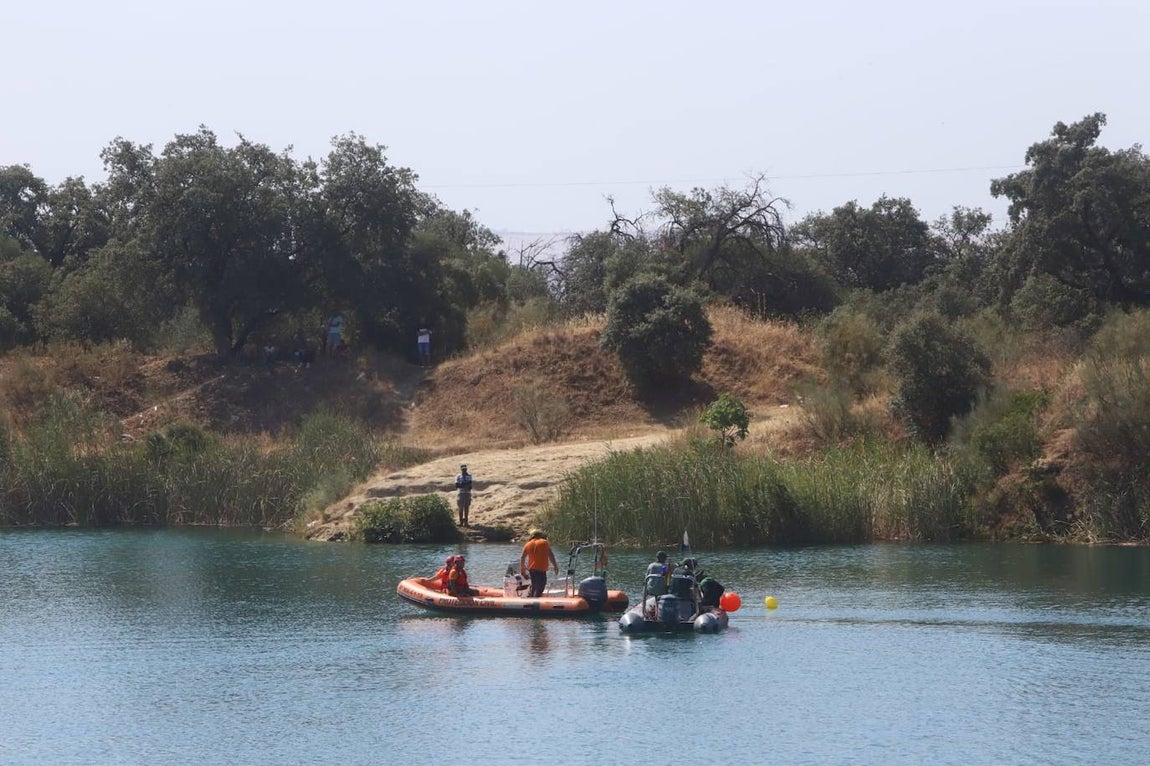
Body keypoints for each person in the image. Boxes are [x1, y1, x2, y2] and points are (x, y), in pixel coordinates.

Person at [519, 528, 559, 598]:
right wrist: (555, 565)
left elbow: (522, 557)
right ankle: (535, 602)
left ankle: (530, 600)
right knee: (540, 586)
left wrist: (523, 569)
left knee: (534, 586)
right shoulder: (544, 542)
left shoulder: (527, 544)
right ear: (540, 535)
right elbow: (550, 554)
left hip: (531, 569)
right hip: (540, 569)